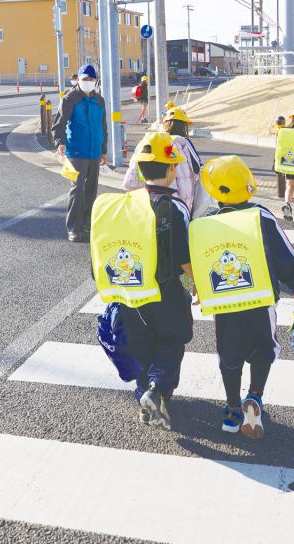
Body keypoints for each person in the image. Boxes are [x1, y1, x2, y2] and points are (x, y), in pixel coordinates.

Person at [189, 155, 294, 438]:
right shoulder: (262, 216)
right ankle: (254, 396)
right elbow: (284, 257)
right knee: (263, 348)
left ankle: (232, 408)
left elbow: (200, 263)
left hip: (226, 303)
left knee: (229, 353)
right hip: (261, 300)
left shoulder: (208, 223)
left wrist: (199, 290)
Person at [91, 131, 193, 430]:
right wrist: (198, 282)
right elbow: (183, 254)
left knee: (141, 347)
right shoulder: (175, 208)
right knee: (172, 341)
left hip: (129, 292)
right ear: (172, 169)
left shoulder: (124, 206)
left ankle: (144, 399)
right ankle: (156, 390)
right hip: (165, 291)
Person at [52, 64, 107, 242]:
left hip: (94, 152)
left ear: (95, 81)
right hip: (76, 150)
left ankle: (86, 223)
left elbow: (102, 126)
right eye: (85, 79)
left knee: (91, 190)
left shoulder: (99, 100)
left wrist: (103, 150)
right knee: (77, 189)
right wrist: (59, 142)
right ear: (79, 80)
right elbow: (58, 123)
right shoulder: (70, 98)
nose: (88, 82)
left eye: (91, 80)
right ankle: (73, 228)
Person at [123, 106, 200, 211]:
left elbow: (130, 180)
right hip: (175, 203)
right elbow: (197, 168)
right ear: (184, 126)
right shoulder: (183, 143)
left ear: (165, 124)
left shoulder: (148, 141)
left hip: (144, 200)